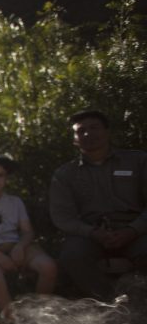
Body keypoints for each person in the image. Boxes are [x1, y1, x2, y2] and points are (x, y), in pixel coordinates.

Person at [49, 110, 147, 300]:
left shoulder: (138, 161)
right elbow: (62, 217)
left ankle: (141, 304)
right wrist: (93, 233)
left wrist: (132, 230)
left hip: (136, 231)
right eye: (81, 131)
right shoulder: (65, 174)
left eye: (94, 128)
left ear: (107, 131)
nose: (87, 134)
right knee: (72, 256)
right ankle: (112, 306)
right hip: (91, 235)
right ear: (74, 139)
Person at [0, 155, 57, 316]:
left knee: (48, 267)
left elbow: (28, 232)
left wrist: (20, 247)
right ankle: (11, 323)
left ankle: (37, 316)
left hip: (16, 245)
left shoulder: (15, 202)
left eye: (1, 175)